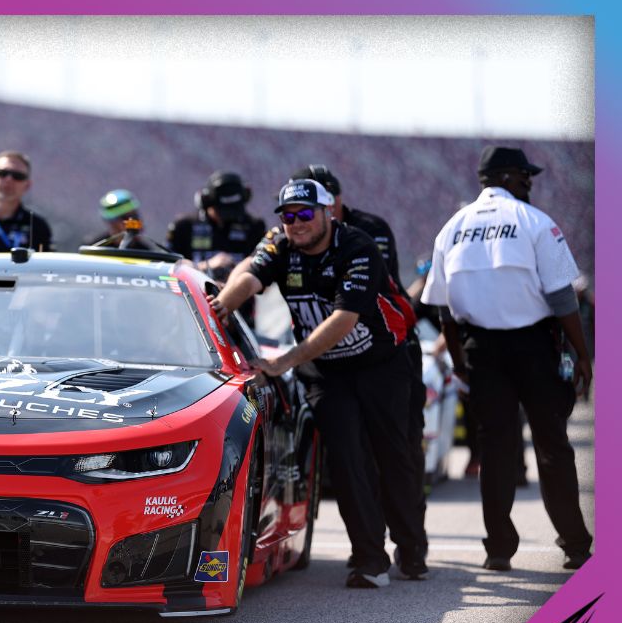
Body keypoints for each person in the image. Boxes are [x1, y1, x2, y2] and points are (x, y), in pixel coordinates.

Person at [211, 179, 427, 588]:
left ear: (329, 212)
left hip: (383, 365)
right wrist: (222, 305)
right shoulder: (281, 243)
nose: (296, 224)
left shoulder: (358, 247)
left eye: (306, 214)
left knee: (394, 456)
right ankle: (369, 559)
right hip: (326, 371)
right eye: (288, 216)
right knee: (346, 457)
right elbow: (251, 277)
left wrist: (286, 360)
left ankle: (411, 547)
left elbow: (344, 321)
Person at [422, 145, 593, 572]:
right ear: (508, 177)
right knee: (552, 446)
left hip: (481, 349)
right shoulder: (535, 222)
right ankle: (574, 545)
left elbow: (444, 310)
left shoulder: (451, 229)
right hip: (533, 346)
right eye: (525, 176)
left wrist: (461, 361)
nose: (529, 183)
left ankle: (498, 549)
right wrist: (583, 355)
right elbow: (561, 298)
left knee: (495, 451)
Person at [290, 164, 427, 497]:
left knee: (400, 449)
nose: (300, 220)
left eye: (314, 208)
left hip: (388, 350)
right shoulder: (292, 236)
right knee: (350, 453)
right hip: (335, 360)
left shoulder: (369, 231)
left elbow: (372, 298)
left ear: (334, 201)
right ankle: (368, 544)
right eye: (295, 214)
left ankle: (410, 540)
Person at [168, 172, 267, 327]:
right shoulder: (184, 227)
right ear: (207, 202)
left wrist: (234, 282)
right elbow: (166, 268)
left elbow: (266, 274)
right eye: (223, 211)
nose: (228, 217)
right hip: (189, 315)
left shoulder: (254, 227)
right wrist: (206, 266)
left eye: (234, 210)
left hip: (241, 320)